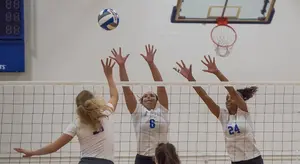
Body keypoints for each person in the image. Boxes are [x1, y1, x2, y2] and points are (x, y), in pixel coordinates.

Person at [14, 58, 119, 164]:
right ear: (94, 101)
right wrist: (109, 75)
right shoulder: (106, 113)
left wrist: (33, 153)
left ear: (78, 107)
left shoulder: (76, 124)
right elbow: (114, 95)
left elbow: (54, 147)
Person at [173, 55, 263, 164]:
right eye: (226, 98)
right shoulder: (223, 116)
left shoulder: (243, 112)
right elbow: (205, 97)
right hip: (236, 161)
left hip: (253, 159)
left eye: (232, 98)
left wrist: (217, 72)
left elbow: (232, 91)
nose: (228, 100)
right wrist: (191, 80)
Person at [109, 44, 169, 164]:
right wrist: (121, 66)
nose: (148, 97)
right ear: (141, 101)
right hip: (143, 159)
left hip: (163, 158)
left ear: (157, 100)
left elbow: (161, 87)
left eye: (151, 95)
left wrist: (151, 64)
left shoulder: (162, 110)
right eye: (145, 96)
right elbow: (127, 90)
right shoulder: (138, 112)